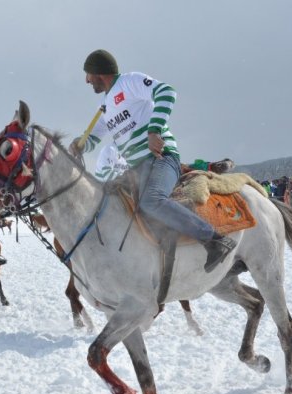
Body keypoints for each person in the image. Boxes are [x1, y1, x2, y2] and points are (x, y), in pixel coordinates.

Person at [69, 49, 236, 272]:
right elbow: (94, 137)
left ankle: (215, 240)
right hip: (136, 168)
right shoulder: (105, 105)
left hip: (161, 158)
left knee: (151, 201)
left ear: (99, 73)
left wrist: (154, 130)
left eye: (88, 74)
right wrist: (79, 144)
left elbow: (167, 92)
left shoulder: (128, 82)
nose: (87, 80)